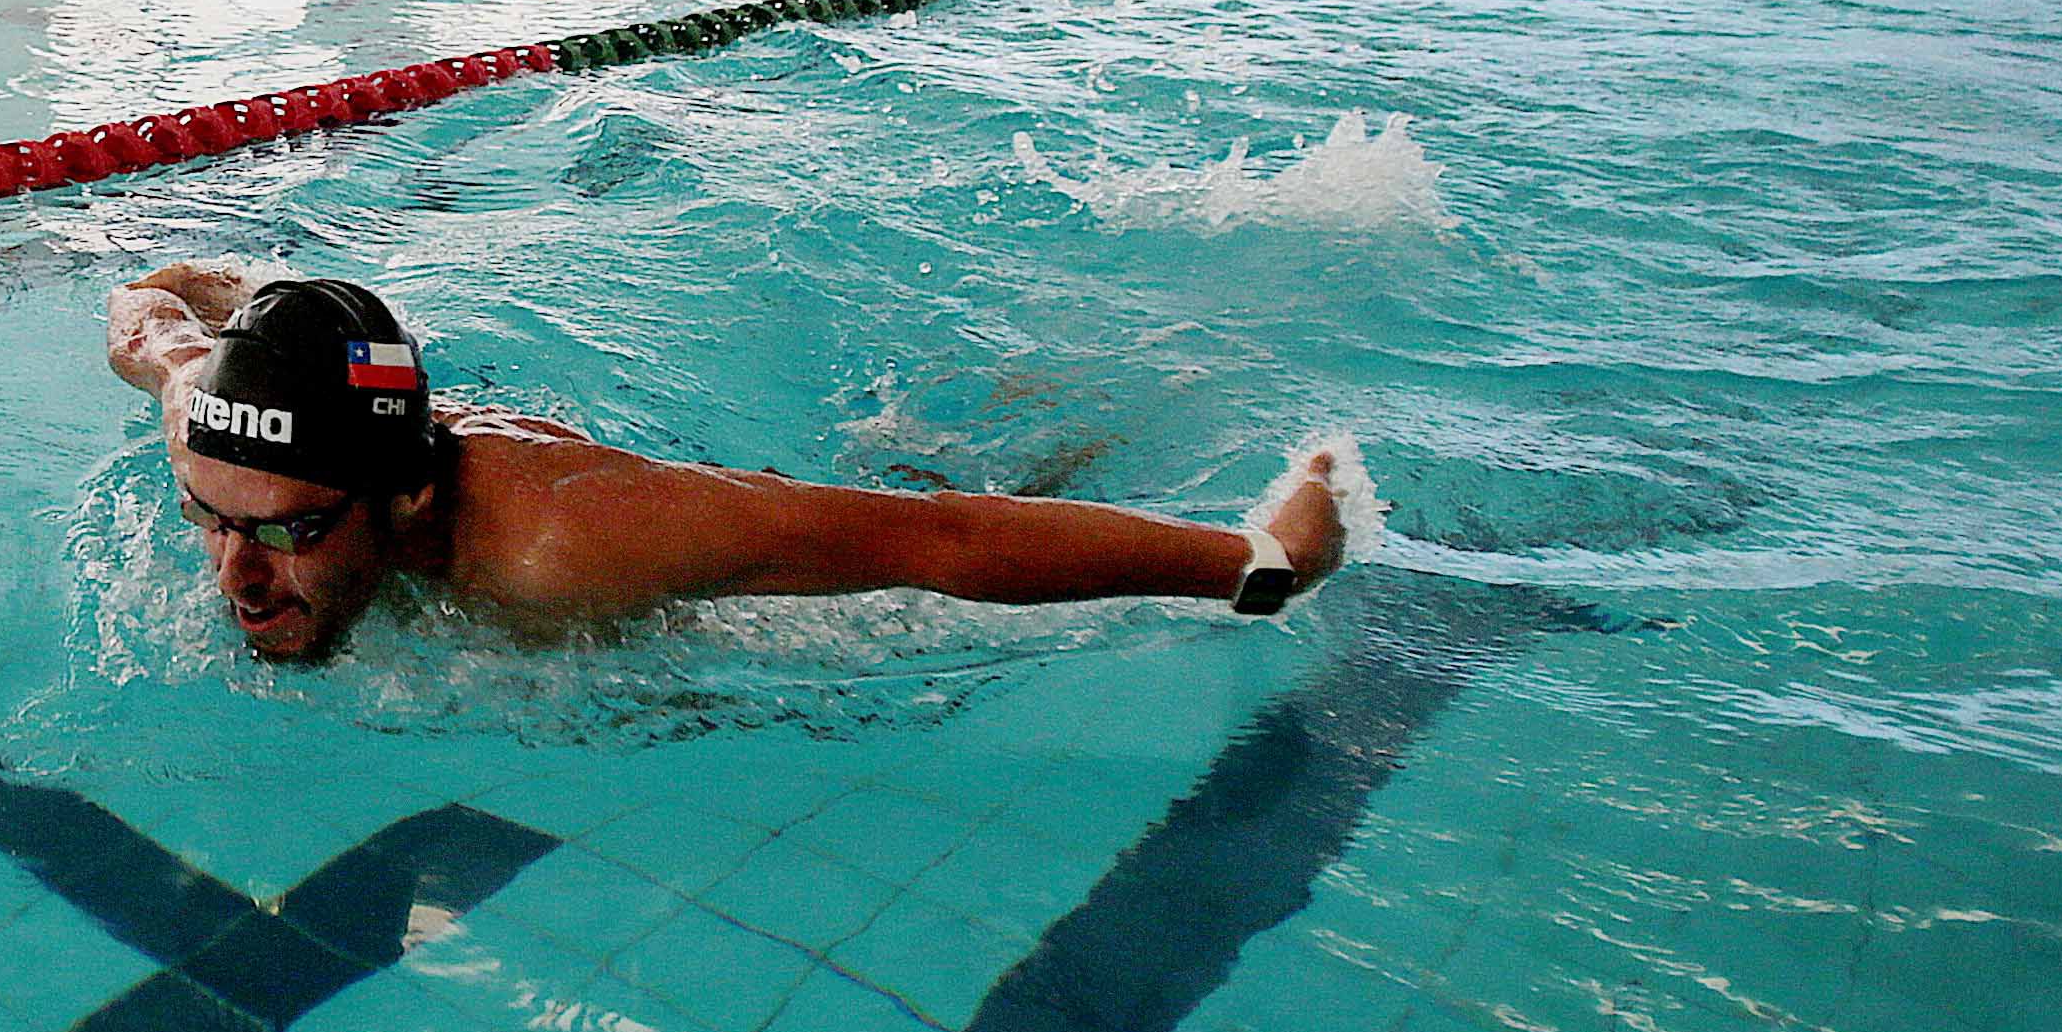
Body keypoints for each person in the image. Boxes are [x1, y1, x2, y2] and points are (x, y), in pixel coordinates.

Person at [105, 261, 1381, 664]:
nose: (234, 573)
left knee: (942, 469)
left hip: (690, 487)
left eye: (288, 533)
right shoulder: (215, 429)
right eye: (209, 520)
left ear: (407, 496)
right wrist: (261, 307)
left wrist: (1259, 563)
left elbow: (935, 544)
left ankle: (1161, 366)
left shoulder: (559, 542)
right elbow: (146, 315)